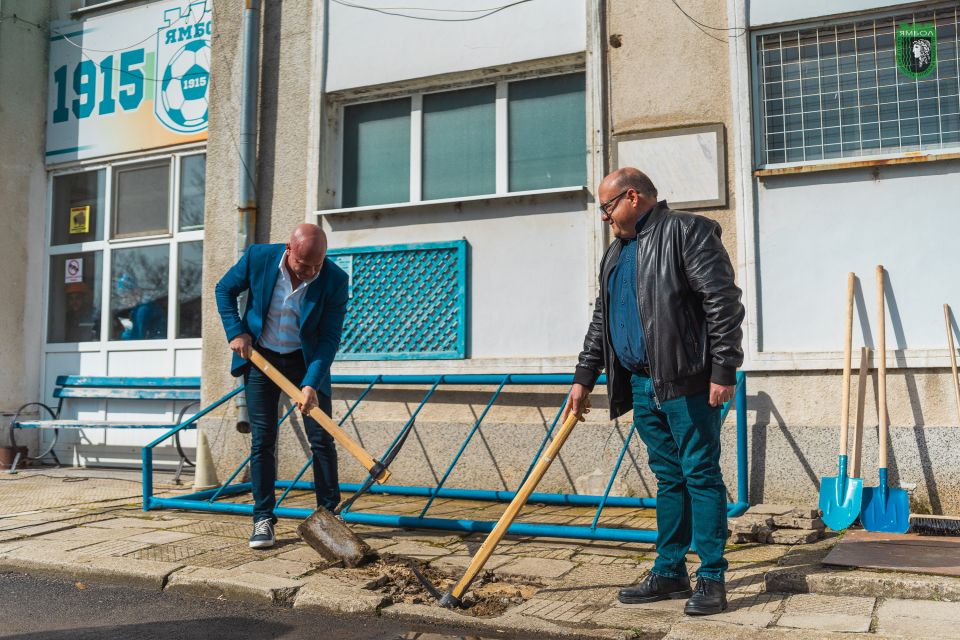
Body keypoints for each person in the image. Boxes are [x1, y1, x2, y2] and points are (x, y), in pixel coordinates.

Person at [562, 168, 744, 616]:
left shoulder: (688, 231)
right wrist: (584, 377)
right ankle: (669, 572)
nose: (605, 217)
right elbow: (602, 321)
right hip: (641, 385)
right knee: (669, 478)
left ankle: (712, 578)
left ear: (632, 197)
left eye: (608, 207)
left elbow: (723, 303)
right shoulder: (617, 253)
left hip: (689, 383)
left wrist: (724, 370)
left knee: (700, 475)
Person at [215, 224, 349, 549]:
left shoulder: (334, 279)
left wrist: (311, 383)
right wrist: (236, 331)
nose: (309, 273)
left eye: (316, 266)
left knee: (322, 439)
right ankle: (263, 520)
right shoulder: (258, 257)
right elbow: (224, 289)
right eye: (303, 266)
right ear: (289, 250)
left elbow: (329, 337)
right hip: (262, 360)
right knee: (263, 439)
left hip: (306, 363)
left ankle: (331, 517)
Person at [117, 274, 166, 340]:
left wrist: (123, 335)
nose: (124, 299)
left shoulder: (143, 310)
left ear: (136, 292)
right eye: (122, 296)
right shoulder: (148, 305)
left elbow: (136, 339)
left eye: (125, 295)